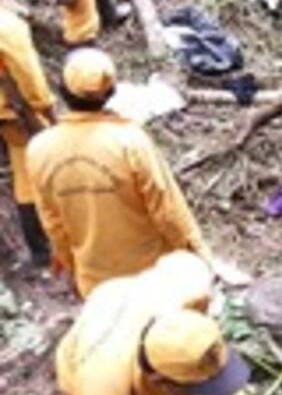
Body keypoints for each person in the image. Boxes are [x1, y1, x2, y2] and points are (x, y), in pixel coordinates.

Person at [28, 47, 210, 297]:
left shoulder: (39, 149)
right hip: (152, 278)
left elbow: (52, 223)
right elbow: (167, 209)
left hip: (96, 283)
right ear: (111, 92)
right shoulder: (130, 142)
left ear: (62, 91)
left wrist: (71, 266)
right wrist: (196, 254)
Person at [56, 250, 262, 395]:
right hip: (91, 357)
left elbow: (186, 259)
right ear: (161, 381)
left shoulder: (187, 289)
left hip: (130, 304)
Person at [0, 0, 57, 268]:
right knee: (28, 173)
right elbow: (29, 77)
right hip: (9, 111)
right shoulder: (8, 28)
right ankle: (41, 250)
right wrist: (45, 108)